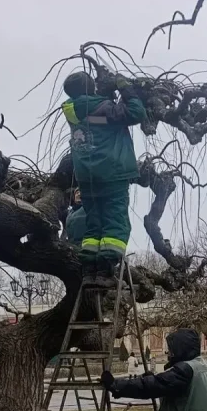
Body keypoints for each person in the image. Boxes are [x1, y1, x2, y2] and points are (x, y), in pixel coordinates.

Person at [61, 71, 147, 283]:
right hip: (111, 172)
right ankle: (106, 271)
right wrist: (125, 87)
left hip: (87, 178)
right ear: (91, 89)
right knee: (115, 221)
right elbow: (136, 113)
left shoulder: (74, 112)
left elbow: (101, 122)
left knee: (94, 223)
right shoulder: (103, 109)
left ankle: (90, 271)